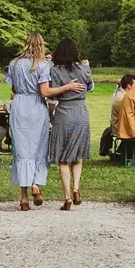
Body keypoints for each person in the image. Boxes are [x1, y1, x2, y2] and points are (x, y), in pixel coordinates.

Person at [43, 39, 92, 209]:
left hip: (64, 113)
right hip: (81, 113)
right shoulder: (84, 68)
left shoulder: (54, 71)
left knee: (63, 158)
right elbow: (90, 87)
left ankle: (67, 197)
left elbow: (51, 95)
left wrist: (65, 89)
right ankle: (77, 188)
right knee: (77, 156)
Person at [5, 33, 52, 209]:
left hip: (19, 105)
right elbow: (44, 92)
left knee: (22, 151)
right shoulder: (44, 65)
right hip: (36, 106)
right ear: (41, 45)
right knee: (38, 148)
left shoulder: (14, 64)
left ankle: (24, 198)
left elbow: (14, 87)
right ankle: (35, 184)